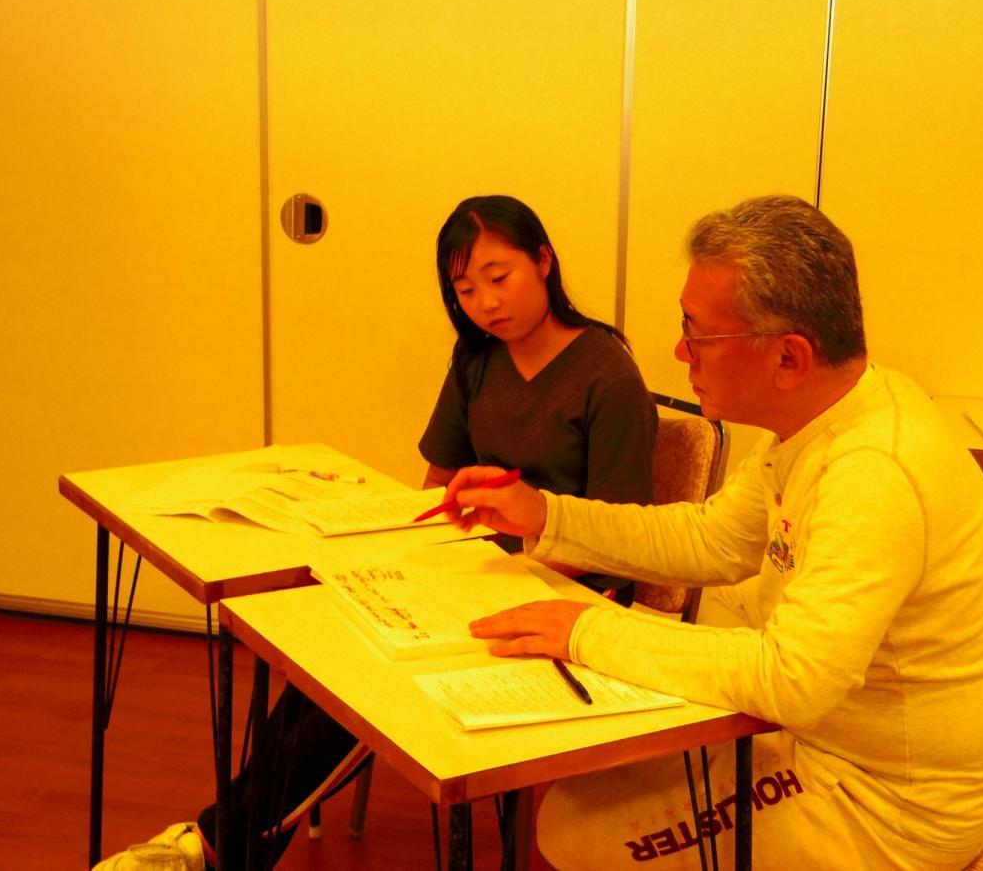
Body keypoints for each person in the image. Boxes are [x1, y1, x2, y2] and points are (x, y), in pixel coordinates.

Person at [450, 195, 983, 870]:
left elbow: (792, 678)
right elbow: (712, 539)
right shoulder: (825, 417)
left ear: (789, 357)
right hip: (821, 742)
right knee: (584, 793)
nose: (680, 351)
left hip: (886, 808)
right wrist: (547, 514)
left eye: (698, 333)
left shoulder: (874, 471)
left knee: (578, 831)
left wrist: (587, 630)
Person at [92, 195, 657, 871]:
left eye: (499, 277)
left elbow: (621, 537)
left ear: (543, 260)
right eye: (465, 289)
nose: (486, 303)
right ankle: (221, 844)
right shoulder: (478, 359)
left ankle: (212, 849)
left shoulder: (605, 374)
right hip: (474, 574)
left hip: (568, 593)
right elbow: (437, 486)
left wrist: (493, 571)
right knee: (329, 655)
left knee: (369, 681)